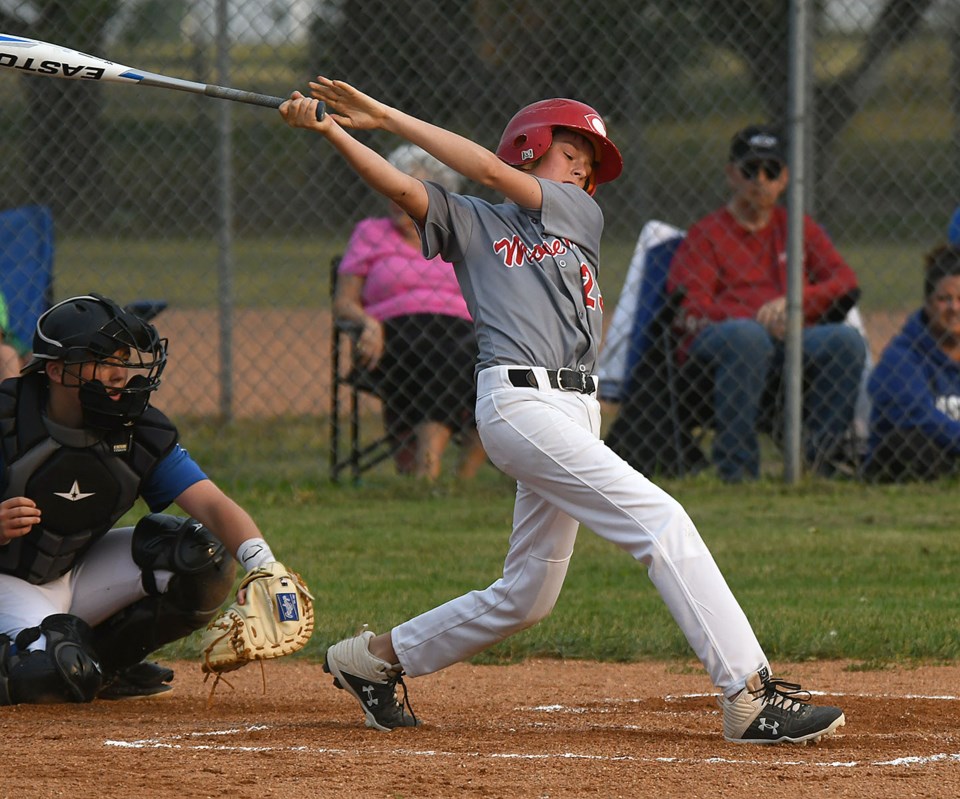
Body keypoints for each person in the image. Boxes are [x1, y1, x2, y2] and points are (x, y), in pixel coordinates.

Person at [279, 81, 845, 744]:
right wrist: (335, 132)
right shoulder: (472, 220)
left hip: (575, 407)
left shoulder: (577, 214)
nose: (584, 167)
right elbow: (403, 189)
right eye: (571, 149)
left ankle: (371, 659)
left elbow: (486, 170)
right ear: (530, 146)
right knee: (660, 518)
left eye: (590, 160)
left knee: (526, 596)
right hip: (517, 402)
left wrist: (383, 114)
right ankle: (748, 694)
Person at [0, 293, 289, 704]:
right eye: (102, 359)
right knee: (51, 676)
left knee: (203, 556)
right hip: (8, 582)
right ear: (57, 371)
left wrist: (265, 566)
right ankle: (58, 661)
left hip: (75, 571)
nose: (119, 373)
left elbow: (212, 504)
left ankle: (103, 665)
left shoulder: (136, 431)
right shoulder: (8, 422)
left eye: (122, 359)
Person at [667, 124, 866, 482]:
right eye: (750, 169)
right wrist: (757, 320)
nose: (760, 179)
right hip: (723, 351)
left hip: (791, 340)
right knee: (747, 337)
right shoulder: (706, 234)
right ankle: (738, 470)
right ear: (732, 174)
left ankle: (818, 462)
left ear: (785, 178)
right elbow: (692, 308)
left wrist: (797, 301)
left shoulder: (797, 227)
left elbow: (845, 281)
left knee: (845, 341)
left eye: (771, 170)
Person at [335, 144, 487, 481]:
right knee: (441, 354)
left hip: (461, 331)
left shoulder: (459, 236)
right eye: (393, 187)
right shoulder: (370, 234)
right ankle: (431, 472)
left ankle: (449, 475)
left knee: (473, 356)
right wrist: (367, 322)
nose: (397, 197)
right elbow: (344, 302)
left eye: (408, 190)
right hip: (395, 333)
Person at [862, 244, 960, 481]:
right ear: (927, 305)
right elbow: (919, 417)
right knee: (909, 443)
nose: (954, 308)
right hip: (921, 454)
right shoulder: (902, 356)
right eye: (944, 299)